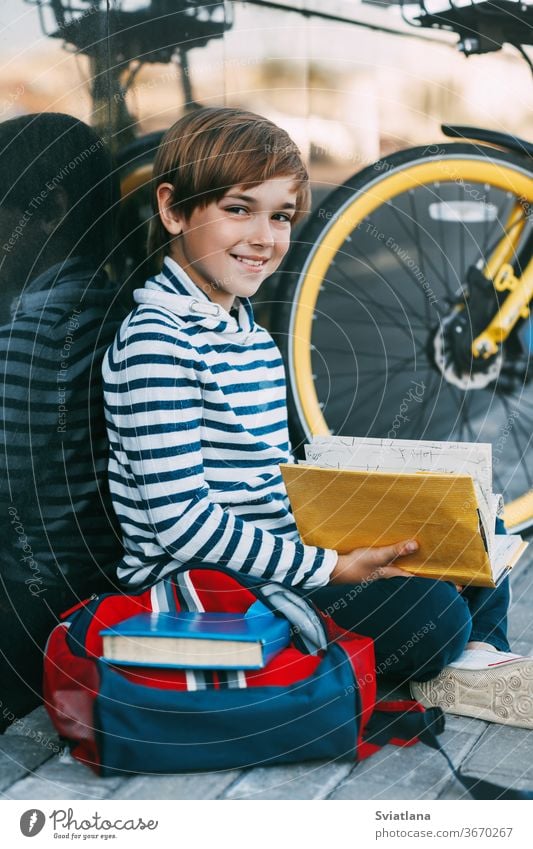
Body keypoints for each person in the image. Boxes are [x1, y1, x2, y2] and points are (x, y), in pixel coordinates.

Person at [102, 106, 533, 729]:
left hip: (281, 551)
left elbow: (268, 478)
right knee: (432, 613)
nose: (264, 238)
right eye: (239, 209)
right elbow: (182, 524)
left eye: (280, 217)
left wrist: (364, 512)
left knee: (476, 517)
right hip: (220, 584)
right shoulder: (157, 342)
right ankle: (458, 657)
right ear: (173, 210)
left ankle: (472, 660)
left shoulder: (246, 333)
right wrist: (332, 565)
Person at [0, 113, 124, 729]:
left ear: (48, 211)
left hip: (34, 614)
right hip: (87, 598)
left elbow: (9, 486)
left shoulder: (35, 329)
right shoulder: (107, 305)